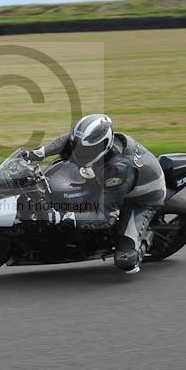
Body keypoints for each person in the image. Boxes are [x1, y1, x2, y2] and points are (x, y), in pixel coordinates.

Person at [27, 114, 166, 274]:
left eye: (85, 150)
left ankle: (145, 239)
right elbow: (66, 141)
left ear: (103, 146)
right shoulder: (93, 144)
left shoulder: (118, 170)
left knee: (125, 260)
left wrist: (62, 217)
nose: (78, 153)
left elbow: (106, 217)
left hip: (140, 199)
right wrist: (36, 154)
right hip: (113, 181)